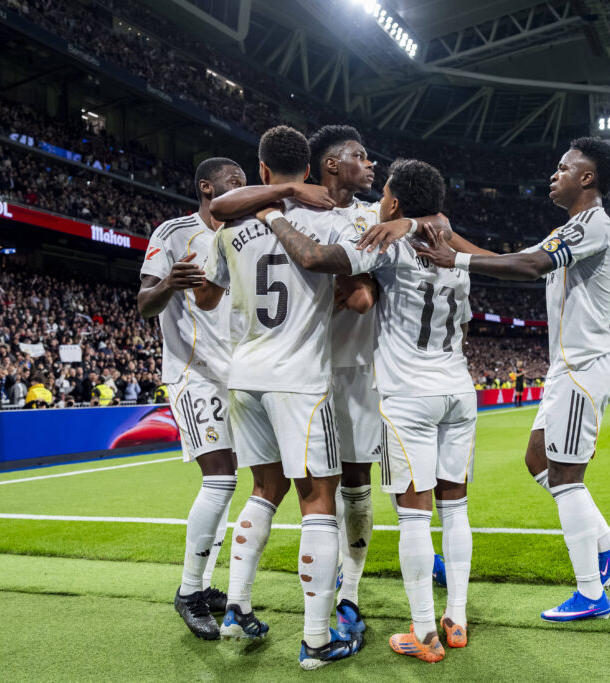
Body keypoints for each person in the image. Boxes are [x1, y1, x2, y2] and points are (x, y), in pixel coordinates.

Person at [209, 125, 452, 636]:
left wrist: (408, 230)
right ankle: (317, 622)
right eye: (360, 157)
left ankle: (349, 593)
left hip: (353, 366)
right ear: (330, 166)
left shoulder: (374, 215)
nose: (371, 166)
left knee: (355, 484)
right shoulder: (303, 214)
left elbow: (415, 237)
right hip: (307, 369)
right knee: (317, 490)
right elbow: (353, 286)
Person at [257, 158, 475, 662]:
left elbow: (320, 261)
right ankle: (457, 617)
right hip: (459, 389)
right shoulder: (457, 257)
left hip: (409, 394)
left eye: (385, 198)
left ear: (393, 203)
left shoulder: (387, 244)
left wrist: (275, 217)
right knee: (456, 507)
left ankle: (424, 634)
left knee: (415, 517)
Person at [414, 137, 610, 622]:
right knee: (538, 458)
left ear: (588, 177)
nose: (553, 175)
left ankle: (591, 592)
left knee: (564, 476)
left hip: (583, 366)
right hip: (567, 367)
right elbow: (508, 258)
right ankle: (608, 545)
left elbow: (530, 264)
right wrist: (450, 241)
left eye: (563, 167)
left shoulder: (594, 224)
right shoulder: (571, 228)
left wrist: (456, 261)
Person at [195, 125, 365, 669]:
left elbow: (207, 291)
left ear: (263, 171)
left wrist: (270, 202)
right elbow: (353, 292)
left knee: (264, 490)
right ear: (310, 172)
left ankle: (236, 610)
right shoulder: (332, 220)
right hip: (299, 378)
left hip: (244, 376)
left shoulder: (232, 225)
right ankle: (318, 639)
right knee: (319, 499)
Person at [138, 157, 247, 640]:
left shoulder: (244, 238)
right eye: (233, 181)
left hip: (238, 376)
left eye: (245, 181)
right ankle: (187, 591)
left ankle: (202, 584)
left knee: (229, 485)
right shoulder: (174, 232)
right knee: (221, 478)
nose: (242, 187)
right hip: (193, 373)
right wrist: (168, 283)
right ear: (207, 186)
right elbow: (144, 304)